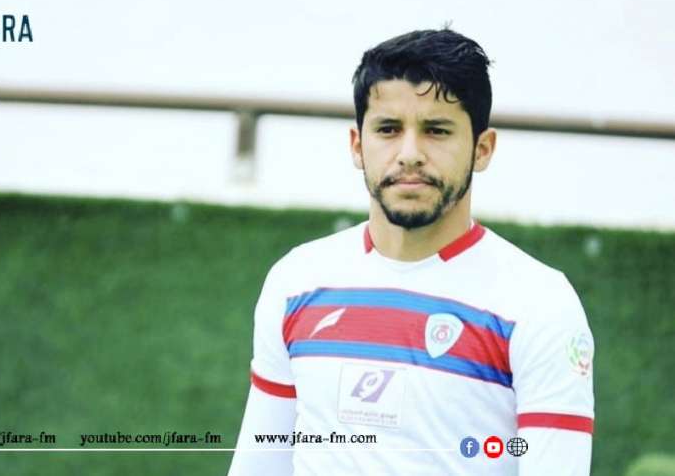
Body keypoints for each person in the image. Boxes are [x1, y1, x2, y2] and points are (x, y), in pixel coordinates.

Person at [227, 28, 595, 475]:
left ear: (482, 149)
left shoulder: (539, 303)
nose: (409, 154)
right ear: (357, 146)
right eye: (388, 129)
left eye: (436, 130)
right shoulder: (296, 281)